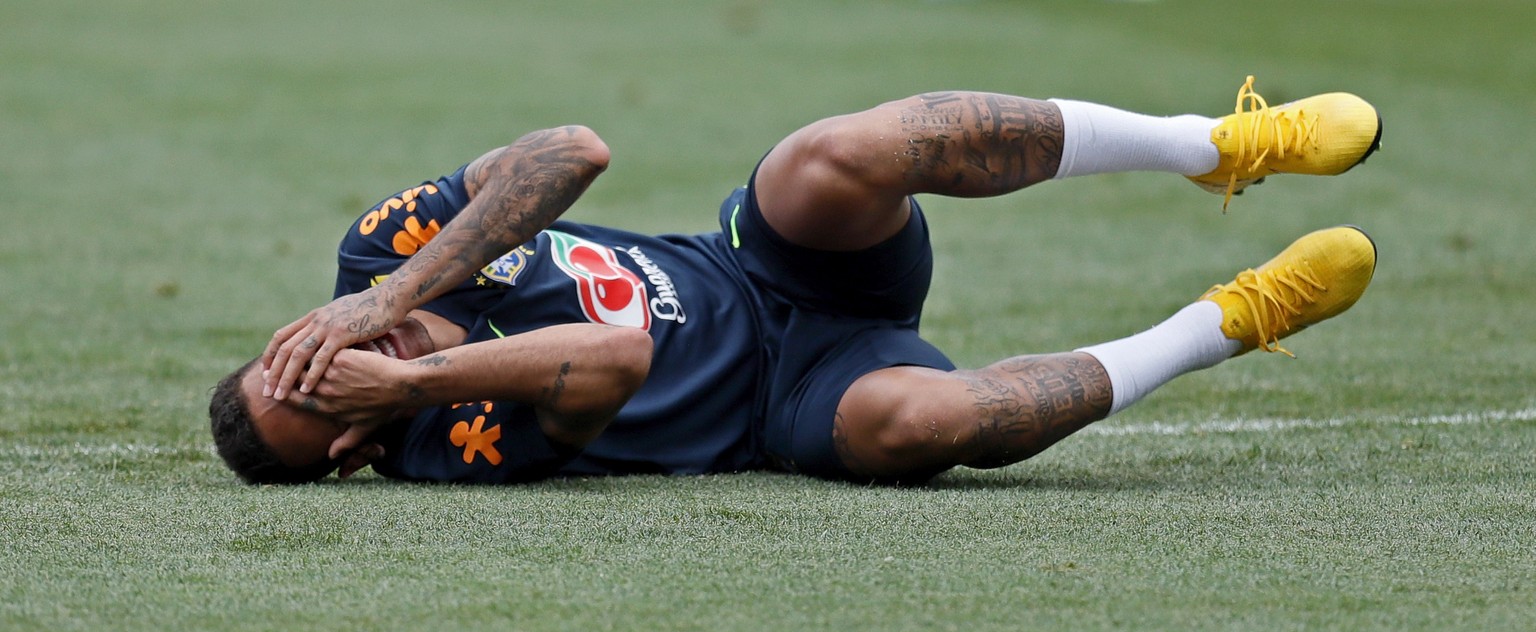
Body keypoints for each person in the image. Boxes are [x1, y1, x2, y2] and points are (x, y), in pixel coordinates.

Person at [210, 75, 1382, 485]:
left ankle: (1219, 146)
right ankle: (1233, 318)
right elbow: (616, 358)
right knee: (935, 419)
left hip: (752, 259)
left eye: (294, 359)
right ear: (351, 444)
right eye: (324, 400)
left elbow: (570, 153)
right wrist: (408, 386)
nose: (332, 365)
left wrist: (390, 299)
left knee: (837, 154)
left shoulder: (377, 264)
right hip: (797, 397)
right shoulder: (438, 443)